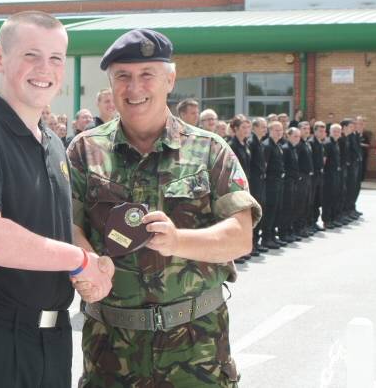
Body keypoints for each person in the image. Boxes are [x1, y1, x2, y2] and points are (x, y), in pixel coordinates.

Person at [68, 29, 261, 386]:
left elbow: (240, 237)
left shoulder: (210, 150)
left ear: (170, 79)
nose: (134, 88)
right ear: (110, 85)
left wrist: (177, 242)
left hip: (196, 349)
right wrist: (86, 261)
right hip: (111, 350)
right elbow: (66, 224)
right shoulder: (84, 151)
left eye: (147, 75)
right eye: (122, 77)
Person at [0, 11, 114, 388]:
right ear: (0, 59)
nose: (44, 69)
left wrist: (88, 271)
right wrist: (79, 260)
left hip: (51, 340)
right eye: (31, 55)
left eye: (55, 59)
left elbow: (54, 232)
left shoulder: (52, 144)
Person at [228, 115, 254, 262]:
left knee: (244, 218)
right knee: (235, 218)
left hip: (244, 185)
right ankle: (234, 252)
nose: (246, 130)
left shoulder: (245, 144)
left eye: (247, 127)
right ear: (235, 129)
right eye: (243, 127)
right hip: (235, 186)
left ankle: (241, 249)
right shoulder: (232, 145)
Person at [261, 121, 286, 249]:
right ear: (270, 131)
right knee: (270, 210)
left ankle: (271, 236)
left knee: (276, 209)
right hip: (270, 183)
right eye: (276, 130)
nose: (279, 132)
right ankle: (266, 238)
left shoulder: (278, 145)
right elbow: (264, 166)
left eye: (281, 130)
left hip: (278, 182)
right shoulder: (267, 146)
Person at [249, 117, 268, 253]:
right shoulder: (251, 142)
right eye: (262, 127)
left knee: (260, 210)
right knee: (253, 213)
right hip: (254, 182)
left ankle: (256, 241)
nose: (265, 130)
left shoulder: (259, 142)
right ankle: (251, 243)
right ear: (254, 128)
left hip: (260, 181)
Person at [279, 127, 301, 243]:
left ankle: (288, 230)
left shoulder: (293, 148)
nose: (297, 139)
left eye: (298, 136)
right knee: (286, 208)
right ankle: (283, 232)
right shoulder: (286, 148)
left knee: (291, 207)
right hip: (287, 182)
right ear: (288, 136)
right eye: (295, 136)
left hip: (293, 181)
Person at [294, 121, 315, 237]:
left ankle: (303, 226)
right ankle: (298, 228)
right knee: (300, 203)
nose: (307, 130)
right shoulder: (298, 144)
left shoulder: (307, 143)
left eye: (308, 128)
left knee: (307, 202)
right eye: (304, 128)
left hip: (308, 177)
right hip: (301, 177)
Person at [322, 124, 343, 229]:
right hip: (328, 175)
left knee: (335, 196)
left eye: (338, 131)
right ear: (330, 132)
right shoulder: (328, 143)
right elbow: (324, 161)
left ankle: (333, 218)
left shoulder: (336, 143)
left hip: (335, 173)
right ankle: (327, 220)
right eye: (334, 131)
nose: (337, 133)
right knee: (328, 198)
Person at [308, 121, 326, 231]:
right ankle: (310, 222)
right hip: (313, 176)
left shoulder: (320, 142)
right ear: (314, 131)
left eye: (324, 131)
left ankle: (314, 221)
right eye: (320, 131)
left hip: (320, 175)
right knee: (312, 200)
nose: (322, 133)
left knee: (318, 200)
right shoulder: (311, 143)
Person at [356, 116, 371, 182]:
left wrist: (360, 144)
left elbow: (368, 144)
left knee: (363, 166)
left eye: (361, 124)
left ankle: (361, 179)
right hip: (355, 154)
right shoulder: (354, 133)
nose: (360, 125)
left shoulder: (366, 133)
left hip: (363, 153)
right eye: (359, 123)